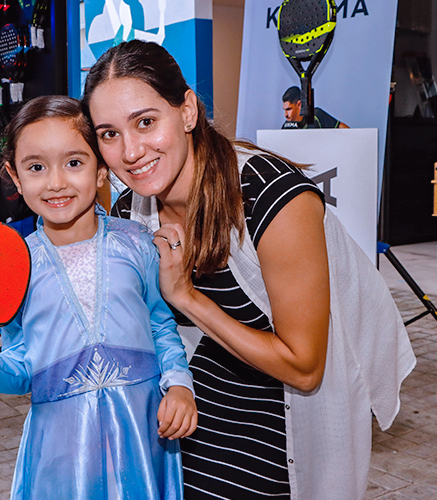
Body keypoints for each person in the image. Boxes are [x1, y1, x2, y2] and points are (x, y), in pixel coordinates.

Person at [82, 40, 416, 499]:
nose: (131, 150)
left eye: (145, 122)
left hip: (281, 432)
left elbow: (304, 368)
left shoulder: (273, 198)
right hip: (191, 420)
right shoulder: (130, 212)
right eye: (109, 134)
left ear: (187, 111)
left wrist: (186, 297)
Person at [0, 95, 198, 499]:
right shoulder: (14, 267)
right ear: (15, 175)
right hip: (62, 454)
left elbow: (159, 325)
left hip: (141, 439)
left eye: (74, 162)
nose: (56, 182)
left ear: (101, 169)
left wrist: (180, 385)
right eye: (37, 167)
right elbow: (23, 370)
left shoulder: (137, 244)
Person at [281, 85, 349, 129]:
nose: (285, 115)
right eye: (284, 110)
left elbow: (344, 129)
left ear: (299, 105)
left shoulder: (317, 116)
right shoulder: (287, 126)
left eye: (289, 109)